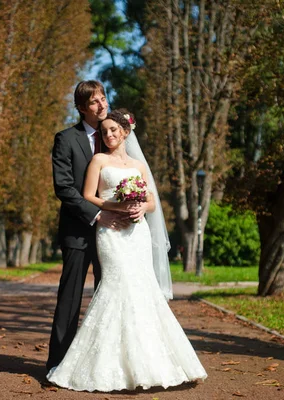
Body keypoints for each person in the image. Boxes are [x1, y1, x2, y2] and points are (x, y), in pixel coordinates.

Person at [46, 109, 207, 392]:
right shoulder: (99, 160)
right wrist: (114, 206)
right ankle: (104, 366)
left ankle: (149, 363)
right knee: (114, 286)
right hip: (110, 232)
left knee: (143, 290)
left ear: (125, 132)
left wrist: (141, 207)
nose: (108, 135)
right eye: (105, 131)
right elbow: (88, 196)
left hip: (137, 234)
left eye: (113, 130)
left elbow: (152, 202)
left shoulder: (138, 165)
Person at [46, 81, 130, 372]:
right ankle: (57, 366)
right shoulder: (66, 139)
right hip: (78, 232)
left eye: (103, 98)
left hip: (116, 234)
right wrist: (96, 215)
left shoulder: (118, 138)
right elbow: (64, 187)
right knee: (70, 299)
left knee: (108, 299)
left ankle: (102, 366)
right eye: (94, 102)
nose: (101, 104)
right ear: (82, 108)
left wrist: (133, 206)